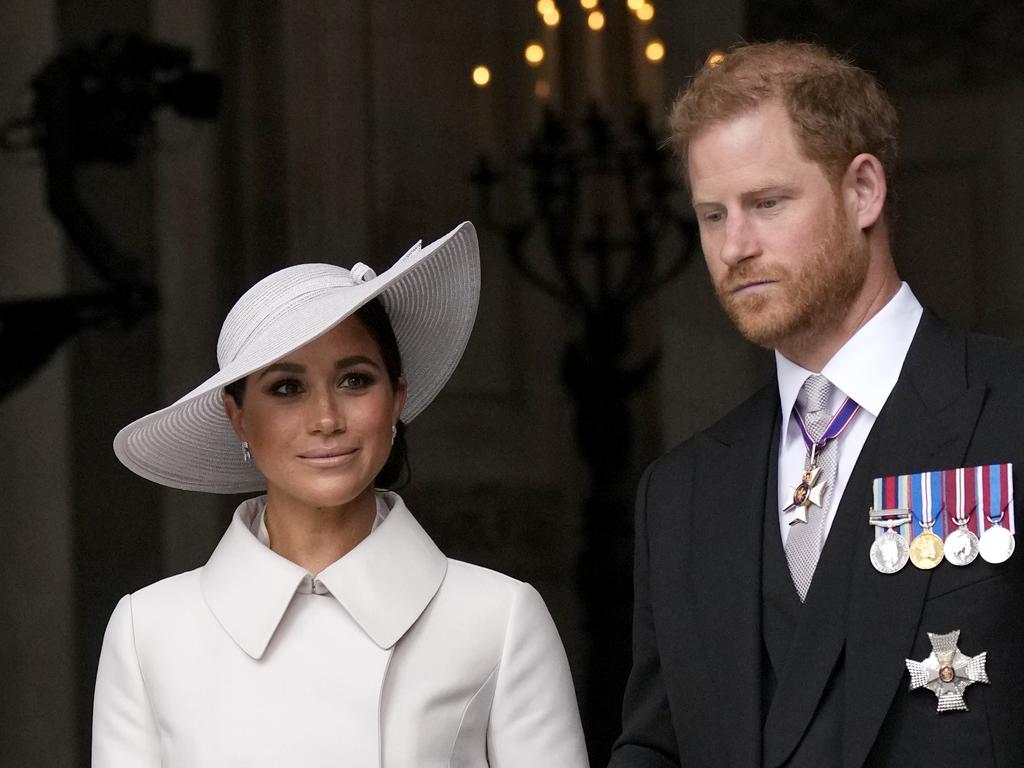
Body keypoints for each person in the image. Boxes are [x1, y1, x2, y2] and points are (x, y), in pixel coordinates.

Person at [609, 42, 1024, 767]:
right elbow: (655, 748)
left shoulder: (1011, 406)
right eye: (712, 215)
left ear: (863, 190)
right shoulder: (679, 497)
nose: (734, 246)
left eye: (767, 203)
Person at [93, 222, 589, 767]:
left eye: (355, 380)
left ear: (397, 397)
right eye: (287, 388)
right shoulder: (150, 631)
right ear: (238, 418)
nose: (326, 418)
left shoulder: (498, 618)